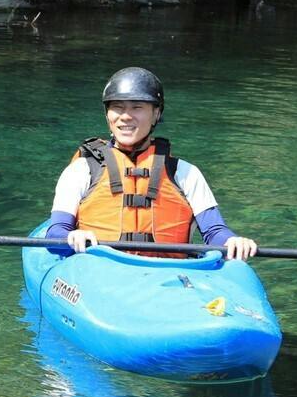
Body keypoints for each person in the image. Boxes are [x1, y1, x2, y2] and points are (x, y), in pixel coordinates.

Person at [46, 67, 257, 259]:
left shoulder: (185, 173)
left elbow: (214, 232)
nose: (126, 117)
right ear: (107, 115)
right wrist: (72, 236)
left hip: (167, 272)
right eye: (117, 108)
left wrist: (232, 241)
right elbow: (56, 232)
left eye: (137, 107)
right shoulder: (82, 170)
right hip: (99, 267)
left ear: (156, 113)